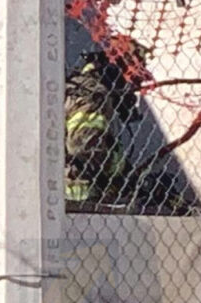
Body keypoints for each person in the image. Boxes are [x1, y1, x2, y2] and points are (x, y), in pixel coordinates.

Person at [65, 34, 151, 203]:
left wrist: (129, 178)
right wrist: (112, 184)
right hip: (81, 197)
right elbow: (81, 146)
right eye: (132, 80)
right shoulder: (93, 95)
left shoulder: (87, 90)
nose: (133, 90)